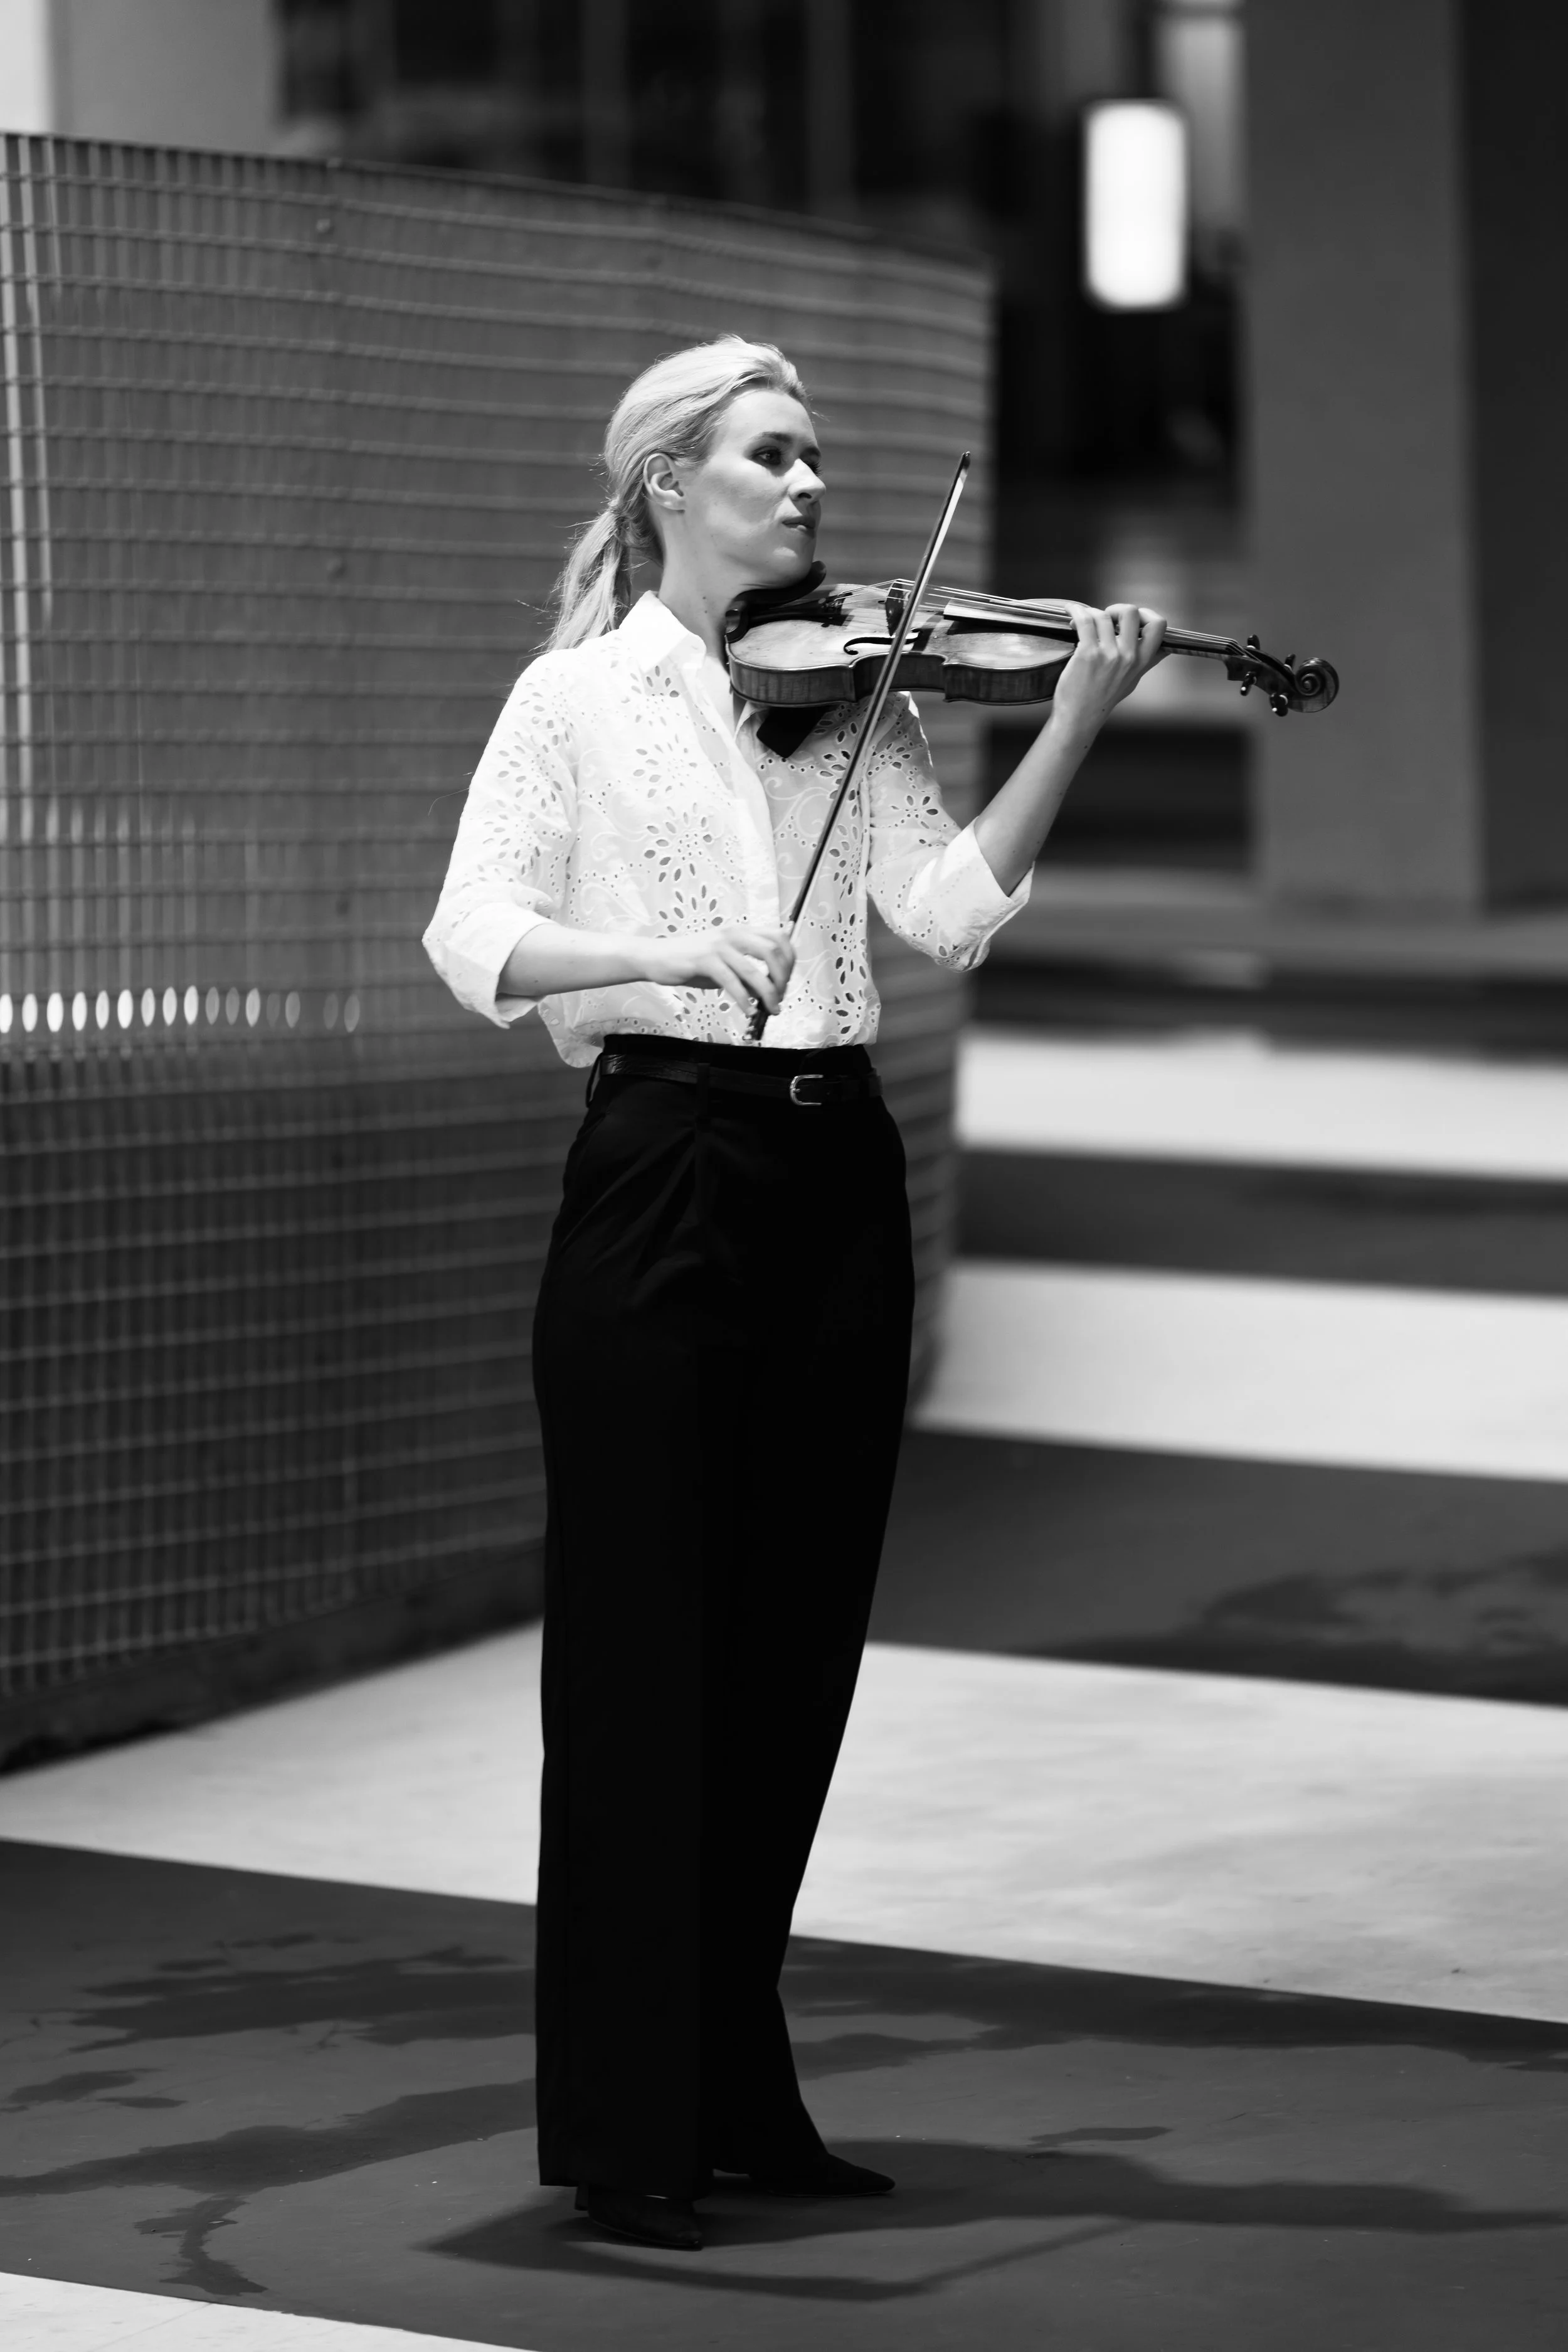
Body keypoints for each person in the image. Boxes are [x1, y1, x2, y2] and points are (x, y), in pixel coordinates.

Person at [423, 336, 1165, 2252]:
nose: (810, 484)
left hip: (835, 1184)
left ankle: (734, 2089)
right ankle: (625, 2122)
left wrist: (1077, 717)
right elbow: (472, 933)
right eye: (772, 455)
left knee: (790, 1659)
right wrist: (666, 946)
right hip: (664, 1168)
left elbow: (949, 916)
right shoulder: (576, 699)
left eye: (818, 455)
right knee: (641, 1666)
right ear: (670, 481)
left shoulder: (848, 696)